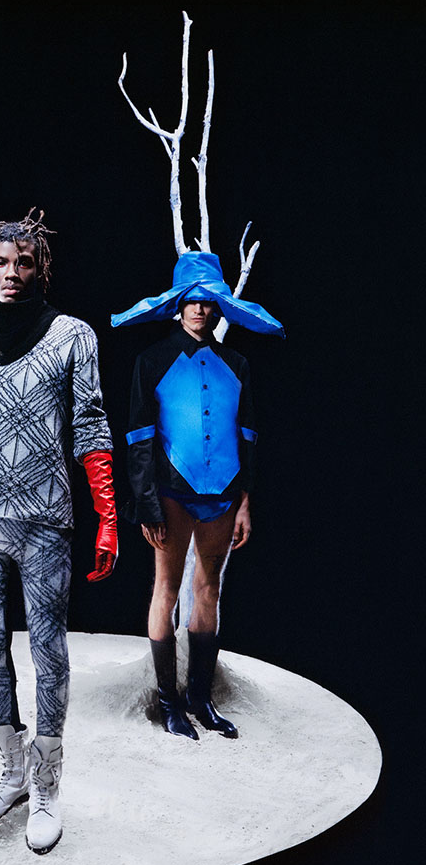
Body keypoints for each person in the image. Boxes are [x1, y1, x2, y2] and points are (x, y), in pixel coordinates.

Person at [0, 210, 117, 854]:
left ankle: (47, 786)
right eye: (1, 262)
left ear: (40, 268)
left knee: (48, 651)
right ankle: (11, 772)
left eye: (23, 262)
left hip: (44, 520)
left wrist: (107, 513)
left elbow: (89, 423)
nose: (11, 273)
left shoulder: (72, 336)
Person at [113, 251, 284, 740]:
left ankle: (201, 699)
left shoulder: (237, 364)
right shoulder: (152, 361)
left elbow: (248, 435)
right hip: (171, 492)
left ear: (219, 307)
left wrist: (245, 500)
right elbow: (138, 438)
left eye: (209, 302)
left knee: (209, 590)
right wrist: (146, 502)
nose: (200, 309)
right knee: (166, 590)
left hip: (225, 493)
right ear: (178, 304)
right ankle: (170, 703)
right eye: (192, 300)